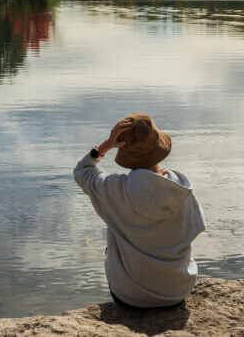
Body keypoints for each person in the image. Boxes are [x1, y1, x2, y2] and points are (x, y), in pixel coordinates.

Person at [73, 113, 206, 310]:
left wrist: (106, 146)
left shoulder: (114, 189)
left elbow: (82, 171)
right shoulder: (181, 187)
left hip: (130, 297)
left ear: (123, 150)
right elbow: (196, 227)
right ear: (158, 145)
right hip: (177, 292)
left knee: (113, 241)